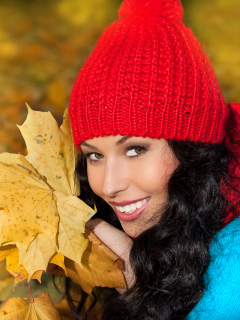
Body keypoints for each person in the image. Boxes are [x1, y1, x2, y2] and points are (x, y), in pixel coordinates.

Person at [68, 0, 240, 319]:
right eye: (94, 155)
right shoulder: (174, 233)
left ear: (192, 150)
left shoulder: (235, 258)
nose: (109, 185)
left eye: (135, 149)